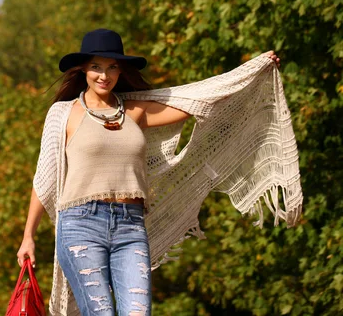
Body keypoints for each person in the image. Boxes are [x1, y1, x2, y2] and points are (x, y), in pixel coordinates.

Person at [17, 28, 291, 316]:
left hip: (130, 226)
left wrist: (253, 71)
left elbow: (198, 102)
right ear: (84, 69)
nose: (104, 75)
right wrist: (29, 236)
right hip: (81, 225)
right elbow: (44, 179)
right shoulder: (63, 114)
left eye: (112, 67)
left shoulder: (136, 111)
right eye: (96, 67)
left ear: (121, 71)